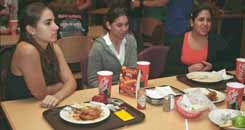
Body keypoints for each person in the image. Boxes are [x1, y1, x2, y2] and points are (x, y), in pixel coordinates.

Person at [1, 2, 76, 108]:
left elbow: (72, 82)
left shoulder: (53, 46)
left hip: (42, 105)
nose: (56, 27)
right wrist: (62, 85)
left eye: (54, 21)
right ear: (31, 30)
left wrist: (58, 96)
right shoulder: (27, 50)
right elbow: (40, 94)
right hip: (19, 109)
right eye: (48, 23)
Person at [164, 4, 234, 76]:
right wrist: (188, 69)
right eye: (201, 20)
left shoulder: (217, 41)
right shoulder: (178, 41)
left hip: (209, 85)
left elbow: (231, 64)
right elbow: (168, 70)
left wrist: (212, 67)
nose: (205, 23)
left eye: (208, 20)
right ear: (192, 22)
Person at [87, 6, 137, 87]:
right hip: (105, 91)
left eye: (126, 24)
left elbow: (133, 69)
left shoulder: (131, 40)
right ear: (108, 25)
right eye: (119, 25)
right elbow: (93, 80)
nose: (124, 29)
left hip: (127, 89)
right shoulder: (98, 47)